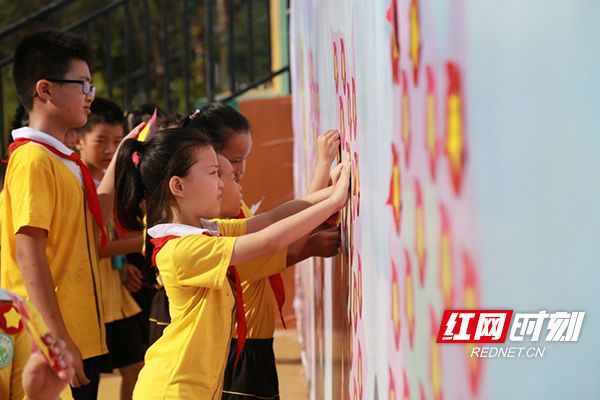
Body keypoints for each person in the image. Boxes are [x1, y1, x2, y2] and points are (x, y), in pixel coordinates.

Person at [113, 128, 349, 399]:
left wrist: (329, 193)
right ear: (178, 186)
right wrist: (334, 201)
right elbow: (269, 241)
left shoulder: (203, 231)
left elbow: (268, 221)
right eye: (213, 173)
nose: (223, 183)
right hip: (173, 391)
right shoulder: (181, 249)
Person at [0, 30, 138, 399]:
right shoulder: (32, 160)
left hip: (73, 335)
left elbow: (95, 215)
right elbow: (29, 254)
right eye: (83, 85)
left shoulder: (63, 160)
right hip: (48, 344)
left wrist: (123, 153)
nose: (90, 97)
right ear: (44, 90)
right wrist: (59, 338)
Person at [183, 104, 341, 399]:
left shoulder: (229, 207)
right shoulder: (214, 219)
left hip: (251, 341)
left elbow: (278, 223)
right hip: (240, 346)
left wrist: (327, 194)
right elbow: (276, 242)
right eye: (233, 161)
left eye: (244, 160)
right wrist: (309, 243)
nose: (240, 171)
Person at [75, 97, 146, 399]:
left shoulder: (104, 179)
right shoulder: (77, 180)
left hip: (114, 295)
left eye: (117, 142)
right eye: (101, 140)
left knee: (136, 367)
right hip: (91, 302)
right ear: (79, 139)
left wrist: (121, 265)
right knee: (88, 380)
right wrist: (150, 238)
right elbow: (96, 245)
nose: (109, 150)